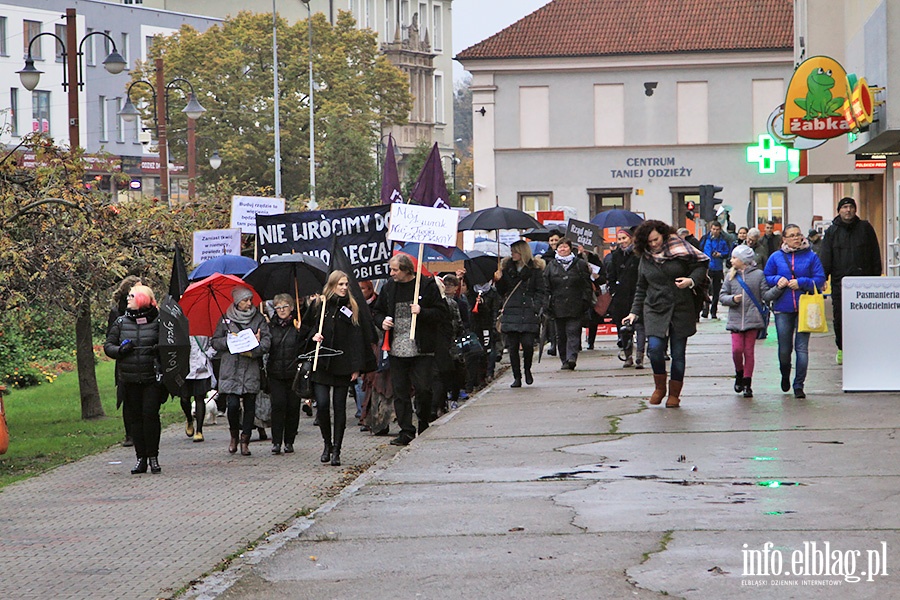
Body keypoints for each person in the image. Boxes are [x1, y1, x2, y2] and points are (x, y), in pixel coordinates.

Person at [623, 221, 710, 408]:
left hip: (681, 307)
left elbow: (701, 265)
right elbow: (641, 287)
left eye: (656, 239)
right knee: (654, 349)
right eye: (649, 242)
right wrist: (633, 313)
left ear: (663, 234)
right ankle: (659, 388)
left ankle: (674, 395)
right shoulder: (645, 257)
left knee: (678, 354)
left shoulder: (680, 249)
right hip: (654, 307)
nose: (653, 244)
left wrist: (691, 281)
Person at [372, 254, 450, 446]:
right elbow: (376, 311)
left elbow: (442, 313)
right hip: (397, 349)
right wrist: (382, 321)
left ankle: (423, 421)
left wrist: (422, 312)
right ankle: (406, 430)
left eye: (395, 270)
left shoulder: (426, 286)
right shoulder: (389, 288)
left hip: (421, 349)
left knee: (423, 389)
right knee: (400, 392)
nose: (391, 274)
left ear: (407, 270)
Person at [104, 284, 165, 475]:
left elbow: (169, 345)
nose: (127, 299)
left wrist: (159, 349)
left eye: (132, 296)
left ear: (142, 299)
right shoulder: (121, 322)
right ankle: (141, 459)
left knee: (150, 416)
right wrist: (120, 351)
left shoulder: (158, 322)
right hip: (129, 378)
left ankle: (153, 456)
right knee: (135, 419)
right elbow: (108, 345)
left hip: (150, 378)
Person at [307, 271, 365, 466]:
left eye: (346, 284)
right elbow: (306, 329)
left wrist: (356, 367)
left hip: (343, 363)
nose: (344, 288)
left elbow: (357, 339)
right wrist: (313, 337)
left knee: (339, 407)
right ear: (331, 285)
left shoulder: (351, 306)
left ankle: (337, 449)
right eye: (340, 284)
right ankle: (327, 443)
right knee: (322, 404)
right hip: (322, 362)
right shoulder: (319, 305)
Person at [764, 224, 826, 399]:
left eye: (798, 234)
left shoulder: (811, 256)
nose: (796, 238)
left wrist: (802, 282)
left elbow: (820, 278)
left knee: (802, 348)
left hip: (806, 308)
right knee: (784, 348)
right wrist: (778, 280)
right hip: (782, 308)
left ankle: (799, 385)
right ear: (784, 239)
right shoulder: (776, 257)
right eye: (792, 235)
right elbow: (766, 277)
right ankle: (785, 373)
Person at [818, 197, 882, 365]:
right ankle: (842, 348)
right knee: (840, 317)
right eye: (845, 207)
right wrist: (822, 277)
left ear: (855, 210)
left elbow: (875, 252)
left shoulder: (865, 228)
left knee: (865, 316)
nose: (848, 210)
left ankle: (865, 347)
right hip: (841, 283)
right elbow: (826, 256)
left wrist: (876, 277)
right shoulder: (832, 232)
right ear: (839, 210)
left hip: (864, 282)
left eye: (851, 207)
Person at [212, 286, 272, 456]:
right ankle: (233, 436)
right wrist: (229, 341)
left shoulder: (258, 318)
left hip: (250, 366)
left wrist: (256, 346)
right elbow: (215, 342)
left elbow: (267, 341)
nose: (249, 303)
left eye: (250, 300)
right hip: (231, 368)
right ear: (237, 302)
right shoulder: (226, 319)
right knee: (232, 405)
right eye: (245, 300)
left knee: (250, 405)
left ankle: (245, 439)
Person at [719, 245, 771, 398]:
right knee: (736, 350)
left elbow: (765, 295)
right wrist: (732, 299)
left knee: (748, 351)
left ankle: (747, 383)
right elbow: (722, 296)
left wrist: (778, 289)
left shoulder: (758, 275)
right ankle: (739, 373)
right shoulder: (731, 276)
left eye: (735, 258)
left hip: (752, 319)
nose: (732, 260)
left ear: (743, 260)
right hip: (736, 319)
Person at [495, 240, 546, 386]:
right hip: (511, 310)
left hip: (528, 311)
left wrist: (535, 306)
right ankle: (517, 377)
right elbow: (502, 291)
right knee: (512, 347)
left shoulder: (534, 270)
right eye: (511, 252)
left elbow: (540, 290)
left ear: (522, 252)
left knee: (528, 344)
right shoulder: (507, 269)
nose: (512, 255)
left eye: (515, 252)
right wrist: (498, 280)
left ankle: (527, 369)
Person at [267, 294, 309, 454]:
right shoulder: (271, 326)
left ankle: (289, 441)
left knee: (292, 407)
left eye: (285, 306)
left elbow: (305, 347)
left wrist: (301, 332)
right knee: (278, 406)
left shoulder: (298, 325)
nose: (281, 310)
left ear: (291, 307)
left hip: (294, 373)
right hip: (276, 372)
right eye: (278, 307)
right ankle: (276, 441)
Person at [543, 238, 593, 370]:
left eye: (565, 247)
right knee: (561, 334)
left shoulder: (579, 264)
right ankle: (564, 359)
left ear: (570, 249)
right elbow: (546, 286)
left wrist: (585, 301)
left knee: (573, 332)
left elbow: (587, 285)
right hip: (557, 306)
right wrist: (547, 303)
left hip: (575, 304)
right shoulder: (551, 266)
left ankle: (572, 357)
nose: (563, 249)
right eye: (560, 247)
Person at [108, 275, 142, 448]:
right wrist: (121, 350)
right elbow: (110, 341)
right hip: (125, 361)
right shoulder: (117, 313)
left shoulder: (146, 310)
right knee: (127, 399)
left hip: (143, 360)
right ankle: (130, 434)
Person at [607, 228, 646, 368]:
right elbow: (611, 275)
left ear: (631, 238)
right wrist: (614, 290)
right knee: (624, 328)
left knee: (640, 326)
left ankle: (640, 356)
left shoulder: (639, 254)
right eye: (620, 239)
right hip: (621, 297)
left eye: (624, 238)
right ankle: (628, 355)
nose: (622, 242)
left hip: (638, 295)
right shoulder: (616, 256)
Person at [179, 335, 215, 442]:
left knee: (199, 398)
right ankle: (189, 419)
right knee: (184, 398)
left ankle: (199, 431)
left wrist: (208, 354)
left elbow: (212, 343)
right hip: (184, 367)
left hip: (201, 367)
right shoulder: (181, 328)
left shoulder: (204, 328)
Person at [700, 221, 731, 319]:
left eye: (717, 230)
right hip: (707, 267)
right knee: (705, 289)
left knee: (716, 290)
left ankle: (713, 311)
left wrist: (720, 255)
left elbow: (727, 253)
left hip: (718, 268)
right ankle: (705, 309)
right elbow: (700, 250)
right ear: (710, 229)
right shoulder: (705, 239)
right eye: (714, 229)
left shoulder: (723, 240)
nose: (715, 231)